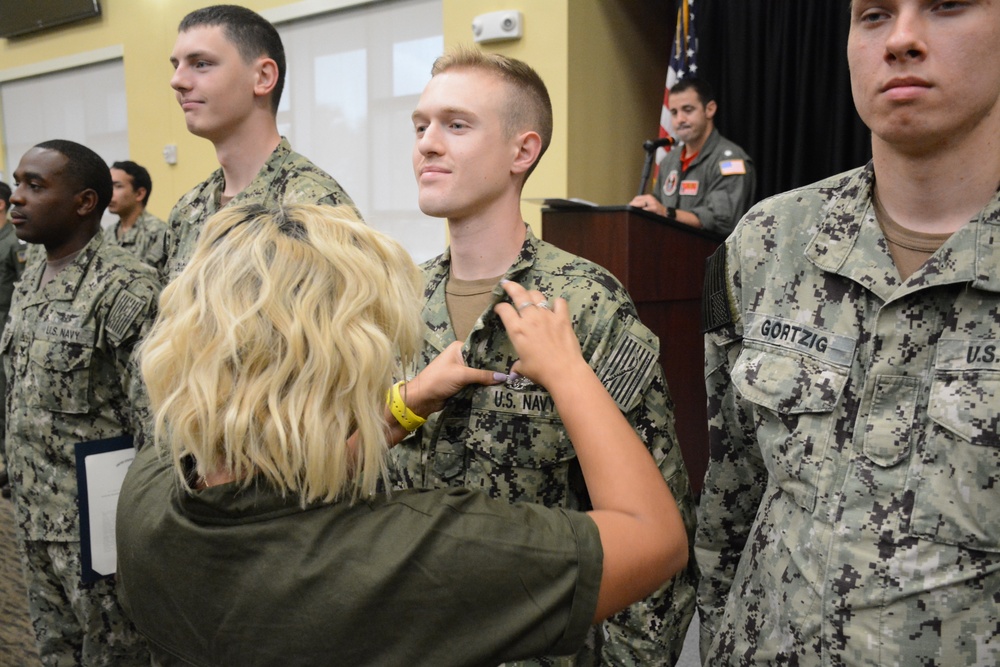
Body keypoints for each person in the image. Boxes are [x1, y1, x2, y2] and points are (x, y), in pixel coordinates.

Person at [114, 202, 689, 667]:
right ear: (341, 371)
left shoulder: (148, 490)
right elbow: (653, 537)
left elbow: (273, 473)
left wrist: (402, 409)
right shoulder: (405, 559)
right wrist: (566, 370)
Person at [696, 0, 1000, 664]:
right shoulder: (769, 243)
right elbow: (732, 487)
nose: (903, 40)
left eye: (947, 7)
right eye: (873, 16)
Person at [390, 47, 698, 666]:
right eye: (421, 125)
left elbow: (656, 529)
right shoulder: (393, 299)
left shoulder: (585, 304)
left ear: (521, 152)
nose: (426, 143)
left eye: (456, 125)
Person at [2, 140, 156, 665]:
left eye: (35, 186)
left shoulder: (124, 286)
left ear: (85, 202)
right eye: (17, 183)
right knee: (55, 650)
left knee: (117, 655)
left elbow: (154, 428)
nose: (16, 198)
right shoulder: (32, 277)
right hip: (34, 518)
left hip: (98, 535)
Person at [164, 4, 356, 279]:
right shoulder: (188, 210)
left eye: (201, 64)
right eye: (176, 65)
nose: (177, 80)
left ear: (263, 77)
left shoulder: (314, 208)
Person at [629, 77, 755, 237]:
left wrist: (666, 212)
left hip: (710, 257)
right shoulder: (669, 160)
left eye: (687, 110)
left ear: (709, 109)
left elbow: (723, 220)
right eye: (674, 112)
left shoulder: (731, 161)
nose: (680, 119)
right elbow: (658, 208)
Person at [0, 181, 27, 500]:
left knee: (8, 401)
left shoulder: (14, 242)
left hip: (5, 328)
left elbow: (21, 291)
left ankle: (13, 465)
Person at [106, 160, 174, 274]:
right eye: (108, 186)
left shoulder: (159, 233)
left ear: (139, 194)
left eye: (117, 186)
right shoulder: (107, 233)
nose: (109, 192)